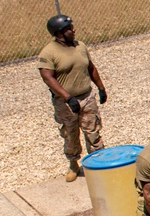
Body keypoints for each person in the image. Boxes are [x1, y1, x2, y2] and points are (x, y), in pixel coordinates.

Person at [37, 14, 107, 182]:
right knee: (70, 134)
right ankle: (74, 164)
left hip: (87, 97)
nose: (73, 30)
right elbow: (48, 77)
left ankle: (99, 163)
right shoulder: (49, 53)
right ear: (59, 33)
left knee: (93, 131)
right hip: (65, 103)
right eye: (69, 29)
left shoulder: (80, 46)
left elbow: (91, 68)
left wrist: (101, 87)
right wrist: (67, 97)